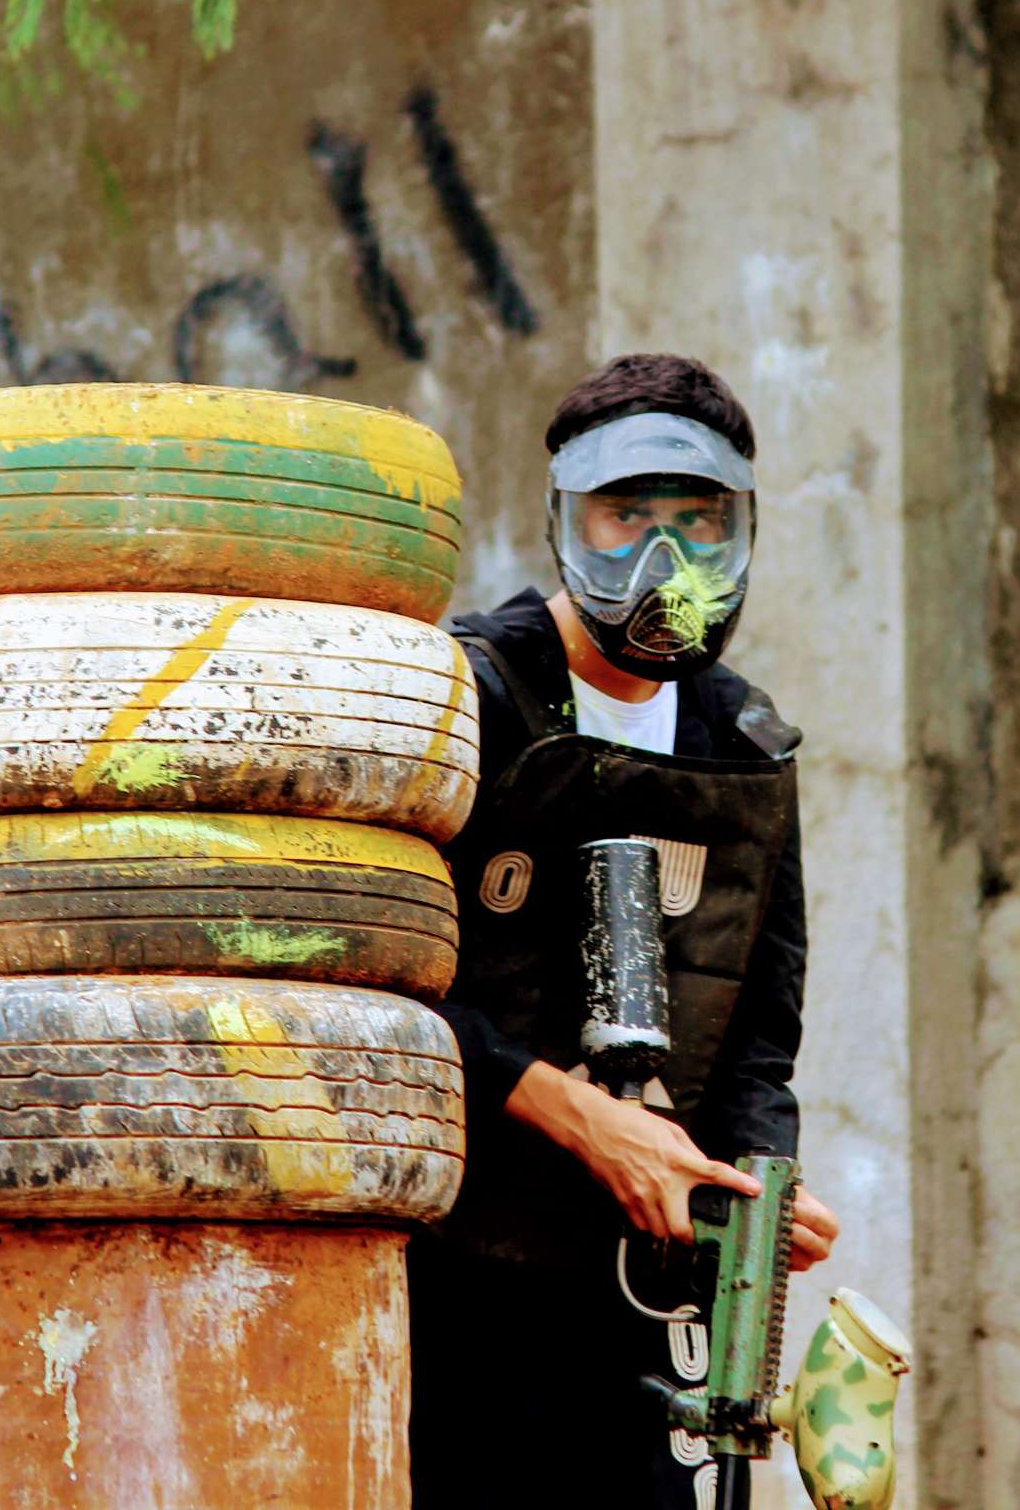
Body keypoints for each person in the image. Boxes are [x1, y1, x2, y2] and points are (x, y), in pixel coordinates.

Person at [409, 353, 839, 1509]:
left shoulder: (743, 743)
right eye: (626, 519)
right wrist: (587, 1122)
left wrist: (753, 1209)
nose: (665, 563)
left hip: (631, 1299)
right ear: (564, 522)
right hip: (441, 1275)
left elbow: (757, 1038)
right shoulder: (463, 695)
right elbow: (384, 991)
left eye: (699, 523)